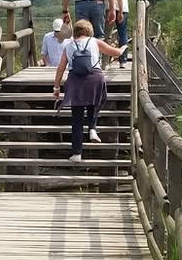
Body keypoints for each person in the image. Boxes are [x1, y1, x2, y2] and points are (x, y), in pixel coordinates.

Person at [52, 19, 126, 162]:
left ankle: (77, 154)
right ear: (89, 31)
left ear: (75, 32)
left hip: (75, 82)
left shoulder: (68, 46)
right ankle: (92, 128)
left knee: (77, 119)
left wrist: (56, 88)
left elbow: (60, 68)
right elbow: (115, 53)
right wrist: (123, 48)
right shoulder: (94, 41)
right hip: (95, 79)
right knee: (95, 101)